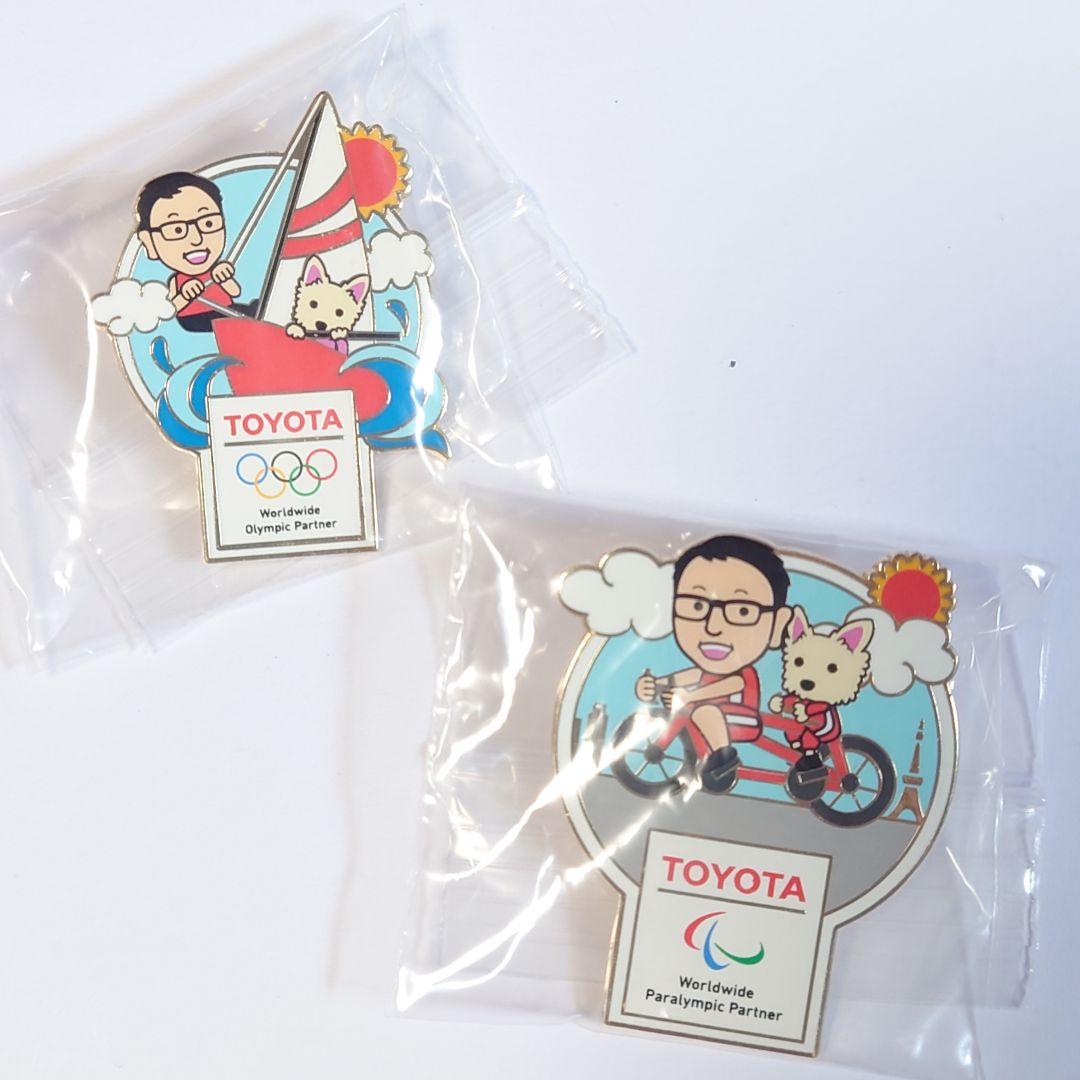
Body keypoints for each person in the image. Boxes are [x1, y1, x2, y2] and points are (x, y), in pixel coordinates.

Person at [635, 535, 792, 792]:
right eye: (697, 605)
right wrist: (659, 683)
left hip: (740, 716)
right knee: (702, 710)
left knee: (704, 711)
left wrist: (690, 696)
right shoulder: (707, 670)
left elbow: (732, 684)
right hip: (718, 713)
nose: (713, 626)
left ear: (778, 625)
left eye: (743, 611)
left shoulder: (739, 672)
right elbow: (691, 675)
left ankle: (723, 759)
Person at [135, 172, 253, 332]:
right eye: (177, 229)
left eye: (208, 223)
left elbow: (235, 291)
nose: (196, 239)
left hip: (226, 309)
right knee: (249, 315)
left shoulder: (216, 269)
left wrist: (224, 278)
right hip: (194, 319)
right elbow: (173, 307)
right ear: (149, 242)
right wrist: (185, 295)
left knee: (256, 308)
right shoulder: (176, 281)